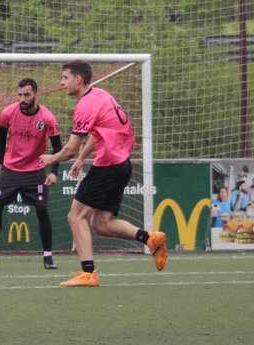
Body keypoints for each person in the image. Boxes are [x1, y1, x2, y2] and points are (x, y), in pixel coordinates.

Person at [39, 60, 168, 287]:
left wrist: (53, 159)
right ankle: (149, 238)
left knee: (75, 217)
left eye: (65, 77)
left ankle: (88, 273)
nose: (61, 82)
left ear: (78, 80)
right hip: (120, 165)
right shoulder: (100, 94)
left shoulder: (85, 105)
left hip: (108, 166)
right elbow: (97, 134)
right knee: (100, 223)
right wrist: (81, 158)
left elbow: (69, 148)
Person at [0, 78, 63, 271]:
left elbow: (58, 147)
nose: (22, 99)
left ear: (35, 95)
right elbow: (1, 138)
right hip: (11, 169)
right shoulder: (9, 112)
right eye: (20, 95)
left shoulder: (47, 117)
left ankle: (48, 257)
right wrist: (0, 162)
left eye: (27, 95)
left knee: (41, 209)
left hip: (35, 170)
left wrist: (54, 172)